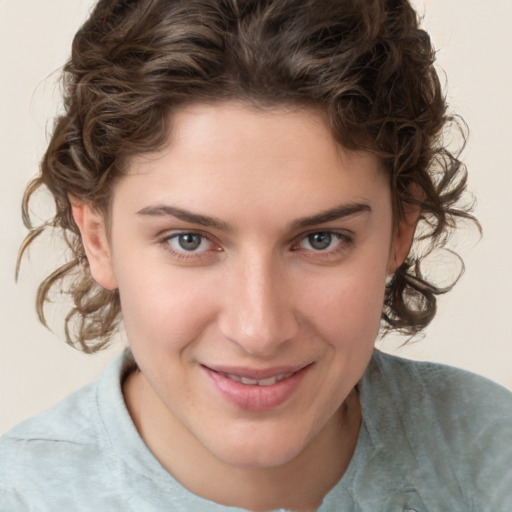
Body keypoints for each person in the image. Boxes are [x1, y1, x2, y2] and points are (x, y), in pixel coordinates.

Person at [1, 0, 511, 510]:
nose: (259, 331)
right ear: (98, 238)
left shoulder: (492, 459)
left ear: (401, 231)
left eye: (321, 239)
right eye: (189, 240)